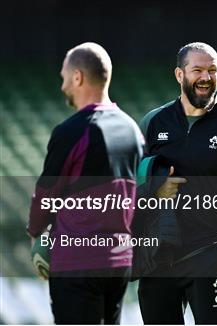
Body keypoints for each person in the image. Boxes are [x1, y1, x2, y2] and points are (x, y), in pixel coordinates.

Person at [135, 42, 217, 324]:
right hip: (157, 257)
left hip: (207, 255)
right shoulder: (153, 122)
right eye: (197, 70)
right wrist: (155, 187)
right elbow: (130, 181)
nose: (206, 77)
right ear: (180, 75)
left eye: (212, 70)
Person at [26, 42, 144, 324]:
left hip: (78, 265)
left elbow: (46, 195)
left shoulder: (72, 130)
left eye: (64, 77)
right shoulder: (133, 130)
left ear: (77, 77)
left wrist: (36, 234)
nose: (63, 85)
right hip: (118, 264)